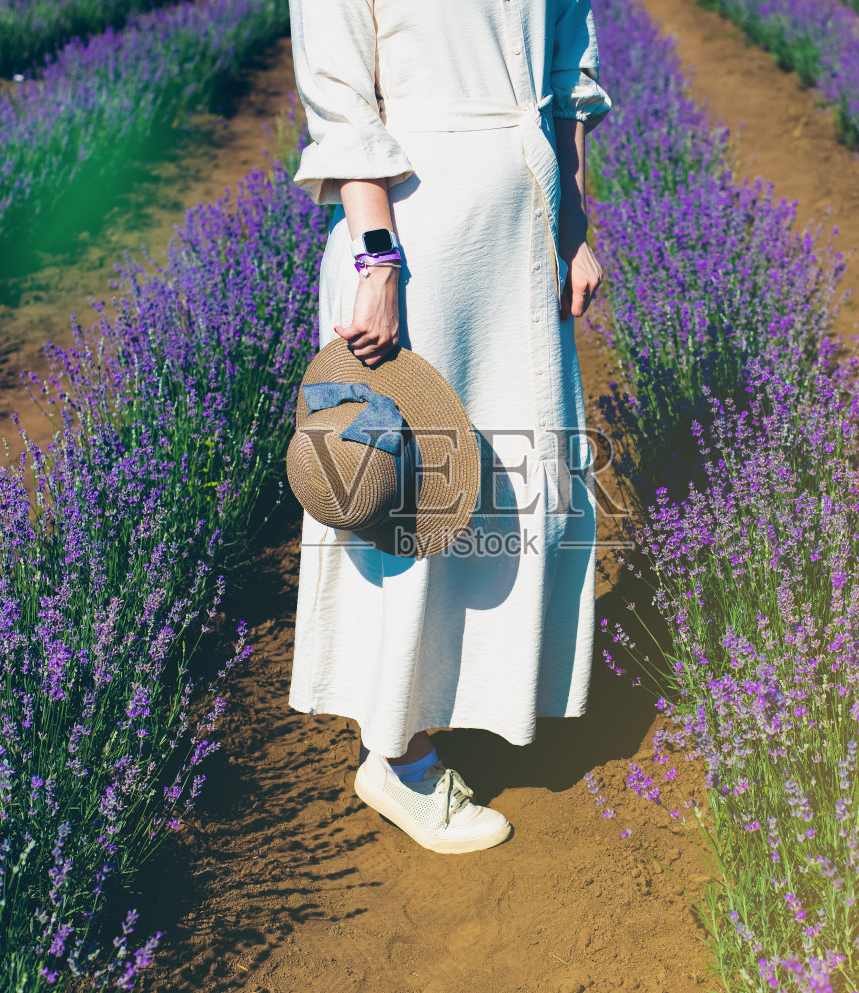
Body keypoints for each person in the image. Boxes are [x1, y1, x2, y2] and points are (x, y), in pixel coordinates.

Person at [287, 0, 612, 854]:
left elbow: (566, 74)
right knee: (414, 494)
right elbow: (342, 101)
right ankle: (398, 754)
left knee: (509, 484)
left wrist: (572, 224)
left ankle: (472, 695)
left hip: (516, 230)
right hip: (413, 233)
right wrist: (377, 258)